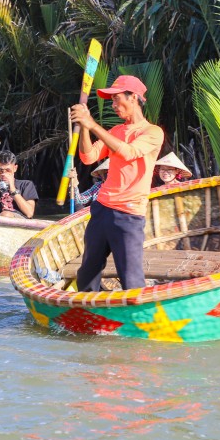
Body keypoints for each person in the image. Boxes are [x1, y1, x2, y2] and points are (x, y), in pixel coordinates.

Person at [70, 74, 164, 291]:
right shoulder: (115, 131)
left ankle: (137, 320)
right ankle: (88, 317)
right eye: (111, 101)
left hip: (129, 215)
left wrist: (92, 124)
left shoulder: (152, 132)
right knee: (87, 275)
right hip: (102, 209)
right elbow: (88, 157)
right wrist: (84, 127)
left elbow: (128, 152)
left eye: (116, 99)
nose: (113, 105)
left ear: (133, 97)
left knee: (131, 279)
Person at [0, 150, 38, 218]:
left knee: (6, 214)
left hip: (20, 221)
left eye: (8, 170)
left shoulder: (26, 185)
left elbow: (29, 213)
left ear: (15, 168)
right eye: (0, 170)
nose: (4, 174)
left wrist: (13, 189)